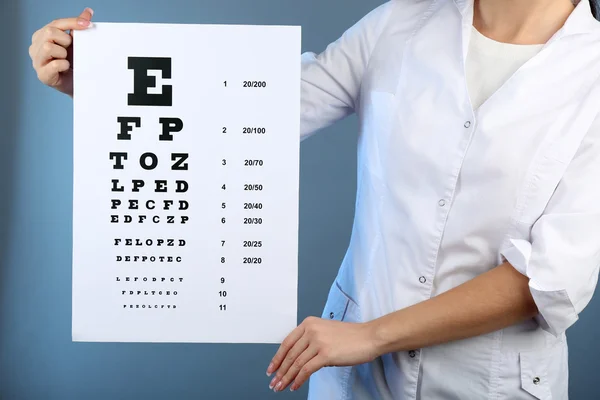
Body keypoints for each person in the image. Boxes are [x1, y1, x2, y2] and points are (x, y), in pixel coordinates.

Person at [30, 0, 600, 398]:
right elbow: (256, 105)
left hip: (488, 383)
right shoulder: (401, 24)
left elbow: (549, 279)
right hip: (355, 383)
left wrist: (371, 335)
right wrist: (99, 79)